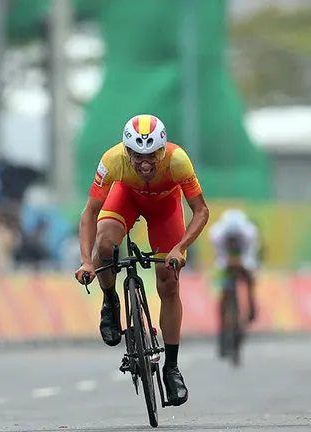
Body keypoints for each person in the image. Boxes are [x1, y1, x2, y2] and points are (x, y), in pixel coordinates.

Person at [74, 114, 210, 407]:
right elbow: (89, 213)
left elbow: (200, 211)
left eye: (151, 156)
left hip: (165, 208)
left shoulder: (178, 161)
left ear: (162, 151)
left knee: (169, 282)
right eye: (137, 156)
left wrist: (179, 248)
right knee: (106, 243)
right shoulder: (111, 161)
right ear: (126, 151)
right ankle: (110, 302)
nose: (145, 163)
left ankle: (171, 369)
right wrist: (87, 261)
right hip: (126, 197)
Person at [209, 209, 260, 358]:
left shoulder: (250, 233)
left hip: (243, 257)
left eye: (235, 237)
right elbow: (220, 258)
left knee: (250, 277)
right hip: (225, 260)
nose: (233, 240)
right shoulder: (216, 234)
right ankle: (222, 327)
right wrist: (229, 264)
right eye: (230, 238)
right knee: (223, 292)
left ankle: (251, 305)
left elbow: (249, 257)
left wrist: (244, 267)